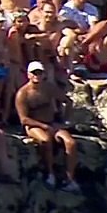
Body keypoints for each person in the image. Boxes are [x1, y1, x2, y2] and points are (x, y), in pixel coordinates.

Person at [15, 61, 79, 192]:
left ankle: (70, 179)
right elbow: (24, 119)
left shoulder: (49, 88)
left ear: (43, 74)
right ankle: (50, 174)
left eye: (39, 73)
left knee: (71, 143)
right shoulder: (23, 94)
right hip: (34, 125)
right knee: (45, 140)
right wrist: (42, 126)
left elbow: (67, 101)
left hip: (52, 123)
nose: (37, 75)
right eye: (34, 73)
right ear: (28, 75)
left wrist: (65, 120)